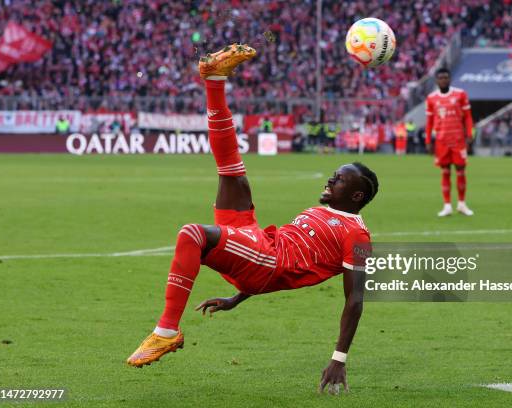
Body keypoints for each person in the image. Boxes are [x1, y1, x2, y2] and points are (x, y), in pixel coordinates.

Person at [126, 44, 379, 393]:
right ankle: (214, 81)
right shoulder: (327, 211)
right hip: (261, 244)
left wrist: (339, 358)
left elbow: (355, 300)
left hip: (268, 260)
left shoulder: (358, 238)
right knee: (231, 172)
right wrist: (238, 296)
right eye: (334, 174)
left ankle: (166, 332)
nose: (330, 179)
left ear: (356, 196)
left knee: (192, 234)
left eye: (339, 179)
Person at [425, 67, 474, 217]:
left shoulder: (460, 94)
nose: (443, 80)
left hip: (458, 140)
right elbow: (429, 121)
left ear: (450, 79)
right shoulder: (431, 98)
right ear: (436, 80)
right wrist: (428, 140)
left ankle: (461, 204)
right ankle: (447, 206)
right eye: (441, 78)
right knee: (445, 172)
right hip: (442, 141)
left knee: (460, 171)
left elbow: (467, 116)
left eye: (446, 77)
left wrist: (469, 133)